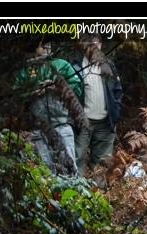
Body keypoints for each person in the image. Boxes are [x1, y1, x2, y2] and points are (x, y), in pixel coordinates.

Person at [14, 39, 83, 176]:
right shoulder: (25, 71)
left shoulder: (61, 65)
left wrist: (58, 87)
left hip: (62, 124)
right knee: (46, 170)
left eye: (49, 43)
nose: (46, 47)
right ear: (35, 47)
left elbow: (78, 89)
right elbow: (15, 97)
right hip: (37, 129)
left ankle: (75, 194)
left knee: (69, 167)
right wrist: (33, 93)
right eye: (42, 44)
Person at [70, 34, 123, 177]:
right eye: (90, 44)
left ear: (101, 45)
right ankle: (76, 192)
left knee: (102, 163)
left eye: (97, 44)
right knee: (77, 157)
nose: (94, 47)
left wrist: (115, 114)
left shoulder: (108, 66)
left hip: (106, 123)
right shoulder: (76, 67)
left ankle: (98, 195)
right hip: (83, 123)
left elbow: (117, 91)